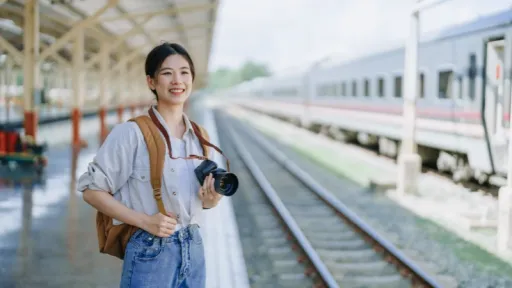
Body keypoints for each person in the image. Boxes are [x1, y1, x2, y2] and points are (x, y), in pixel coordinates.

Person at [77, 42, 223, 288]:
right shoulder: (131, 133)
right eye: (167, 73)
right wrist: (144, 221)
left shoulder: (200, 136)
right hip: (150, 249)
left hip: (194, 246)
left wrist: (211, 199)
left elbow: (203, 202)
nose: (177, 80)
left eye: (184, 72)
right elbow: (91, 191)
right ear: (151, 82)